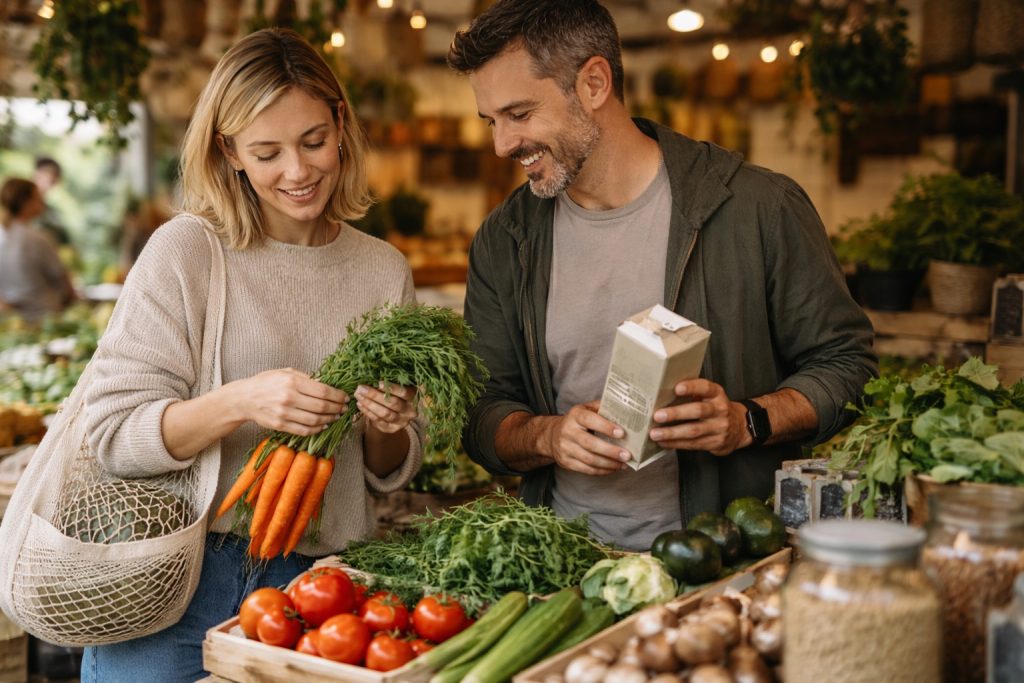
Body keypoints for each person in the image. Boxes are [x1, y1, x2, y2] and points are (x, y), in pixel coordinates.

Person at [448, 0, 877, 552]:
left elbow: (849, 365)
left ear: (595, 83)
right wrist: (549, 436)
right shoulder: (505, 240)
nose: (502, 144)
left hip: (722, 562)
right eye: (491, 121)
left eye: (520, 114)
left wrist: (747, 421)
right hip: (563, 565)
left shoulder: (757, 207)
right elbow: (482, 413)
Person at [81, 28, 423, 682]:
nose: (297, 171)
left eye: (314, 141)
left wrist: (387, 424)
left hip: (326, 587)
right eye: (267, 152)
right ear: (229, 150)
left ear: (341, 123)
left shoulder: (383, 270)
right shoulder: (186, 252)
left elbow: (390, 470)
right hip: (181, 577)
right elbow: (113, 436)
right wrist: (241, 400)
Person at [0, 178, 76, 321]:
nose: (42, 201)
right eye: (37, 197)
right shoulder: (38, 238)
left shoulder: (4, 235)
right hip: (45, 317)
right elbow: (64, 281)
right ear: (26, 202)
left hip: (11, 321)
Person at [32, 156, 71, 246]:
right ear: (36, 173)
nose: (51, 178)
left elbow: (63, 240)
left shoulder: (51, 212)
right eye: (47, 172)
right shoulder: (17, 200)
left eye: (55, 175)